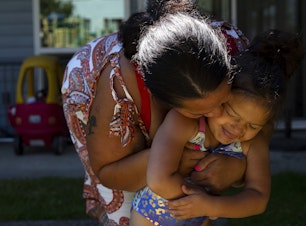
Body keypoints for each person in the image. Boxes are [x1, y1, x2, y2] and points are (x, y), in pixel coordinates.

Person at [62, 0, 251, 225]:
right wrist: (166, 157)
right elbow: (108, 171)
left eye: (225, 102)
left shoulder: (238, 51)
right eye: (203, 111)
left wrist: (238, 167)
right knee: (127, 215)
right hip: (89, 88)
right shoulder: (117, 88)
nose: (221, 114)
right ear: (166, 102)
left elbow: (260, 121)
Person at [160, 29, 304, 221]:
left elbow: (259, 198)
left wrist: (211, 206)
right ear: (220, 95)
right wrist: (194, 199)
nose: (238, 129)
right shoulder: (185, 122)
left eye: (253, 126)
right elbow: (158, 178)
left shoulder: (254, 144)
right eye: (231, 114)